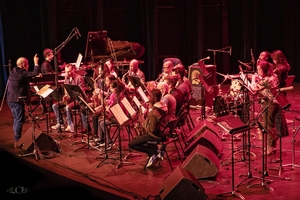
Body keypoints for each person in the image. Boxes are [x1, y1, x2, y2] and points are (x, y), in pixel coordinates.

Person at [250, 61, 285, 155]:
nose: (257, 72)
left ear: (265, 70)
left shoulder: (268, 79)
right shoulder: (270, 77)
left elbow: (254, 88)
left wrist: (253, 78)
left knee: (269, 125)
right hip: (266, 101)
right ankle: (271, 144)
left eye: (259, 70)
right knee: (266, 124)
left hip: (272, 103)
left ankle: (272, 144)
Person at [128, 89, 168, 168]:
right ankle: (153, 152)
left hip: (156, 135)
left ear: (155, 99)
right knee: (141, 141)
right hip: (162, 132)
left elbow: (151, 130)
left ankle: (153, 152)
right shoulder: (163, 106)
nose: (149, 99)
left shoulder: (153, 112)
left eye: (150, 97)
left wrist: (143, 122)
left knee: (131, 144)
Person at [7, 54, 40, 147]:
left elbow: (24, 79)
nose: (28, 65)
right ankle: (17, 141)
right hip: (17, 100)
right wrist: (36, 63)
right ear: (23, 64)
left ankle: (16, 139)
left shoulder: (14, 71)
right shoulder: (21, 72)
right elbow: (34, 73)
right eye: (28, 64)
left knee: (16, 120)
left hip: (10, 99)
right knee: (19, 120)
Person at [51, 64, 90, 137]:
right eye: (66, 72)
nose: (67, 74)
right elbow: (66, 90)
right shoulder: (67, 78)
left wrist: (71, 96)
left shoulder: (79, 78)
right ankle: (61, 123)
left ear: (73, 70)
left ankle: (70, 125)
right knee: (54, 105)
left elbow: (81, 92)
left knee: (67, 107)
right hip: (70, 98)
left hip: (78, 99)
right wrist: (66, 96)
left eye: (69, 72)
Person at [95, 80, 127, 148]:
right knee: (100, 120)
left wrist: (109, 114)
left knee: (102, 123)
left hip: (120, 118)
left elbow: (118, 111)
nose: (110, 89)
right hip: (117, 116)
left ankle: (109, 141)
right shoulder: (117, 95)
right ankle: (101, 140)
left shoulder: (116, 97)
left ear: (115, 88)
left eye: (111, 88)